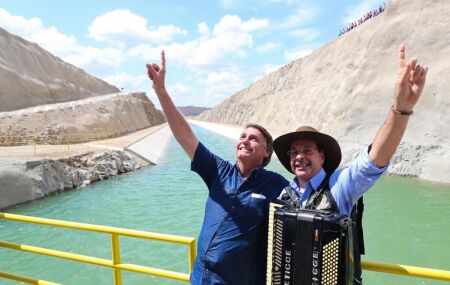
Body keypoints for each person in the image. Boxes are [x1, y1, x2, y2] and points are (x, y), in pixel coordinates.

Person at [272, 44, 428, 284]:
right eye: (294, 152)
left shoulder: (341, 184)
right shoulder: (284, 195)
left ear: (322, 156)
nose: (299, 156)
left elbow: (375, 159)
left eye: (307, 150)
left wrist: (401, 109)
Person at [146, 51, 289, 285]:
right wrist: (161, 91)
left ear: (266, 153)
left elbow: (305, 202)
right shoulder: (218, 171)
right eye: (242, 136)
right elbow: (185, 136)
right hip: (201, 278)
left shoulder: (275, 185)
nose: (245, 140)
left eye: (253, 138)